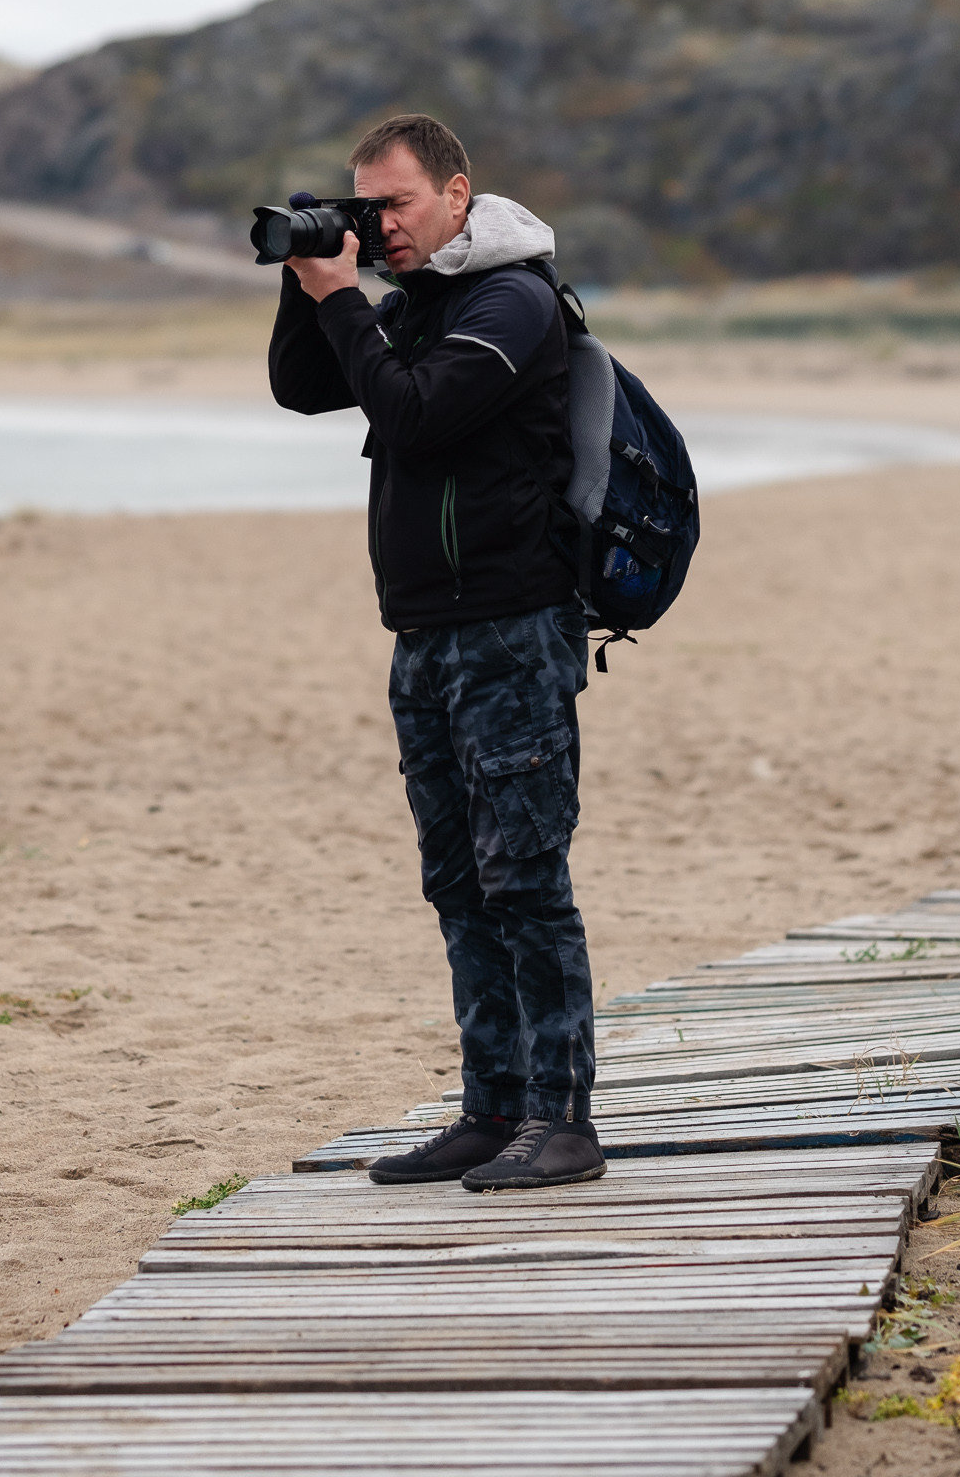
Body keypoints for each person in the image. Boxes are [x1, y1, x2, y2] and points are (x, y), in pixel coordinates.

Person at [267, 115, 604, 1191]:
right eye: (366, 207)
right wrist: (307, 274)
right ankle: (491, 1108)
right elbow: (304, 385)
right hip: (424, 633)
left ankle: (563, 1122)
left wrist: (344, 299)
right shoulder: (411, 306)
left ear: (458, 195)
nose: (383, 226)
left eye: (397, 204)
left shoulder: (513, 302)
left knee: (524, 879)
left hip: (512, 628)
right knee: (457, 881)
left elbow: (410, 413)